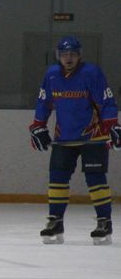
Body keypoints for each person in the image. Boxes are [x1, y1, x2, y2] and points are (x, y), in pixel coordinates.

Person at [29, 36, 119, 245]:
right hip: (64, 136)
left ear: (79, 56)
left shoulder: (92, 73)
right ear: (58, 56)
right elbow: (43, 101)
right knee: (57, 178)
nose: (68, 58)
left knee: (95, 179)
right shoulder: (51, 75)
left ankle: (104, 222)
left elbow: (107, 101)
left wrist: (112, 124)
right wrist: (38, 125)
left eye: (72, 54)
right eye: (64, 54)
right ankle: (55, 221)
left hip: (94, 136)